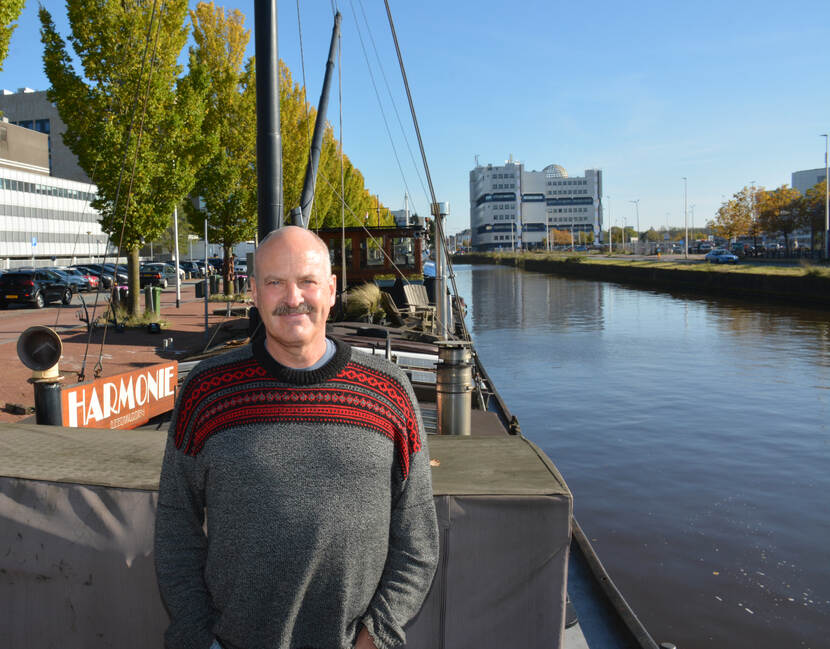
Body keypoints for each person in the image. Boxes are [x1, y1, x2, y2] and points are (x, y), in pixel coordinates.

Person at [155, 226, 439, 649]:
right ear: (253, 292)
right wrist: (200, 638)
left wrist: (375, 637)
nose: (293, 298)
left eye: (307, 281)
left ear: (330, 289)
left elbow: (417, 537)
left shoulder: (389, 391)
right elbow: (176, 523)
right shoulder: (207, 390)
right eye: (275, 283)